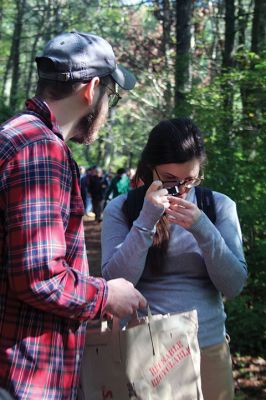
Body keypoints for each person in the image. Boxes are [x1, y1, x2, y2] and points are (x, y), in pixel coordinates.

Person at [0, 31, 146, 399]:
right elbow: (40, 277)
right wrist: (105, 295)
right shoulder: (40, 150)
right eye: (109, 95)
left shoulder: (15, 137)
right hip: (23, 375)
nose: (106, 106)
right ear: (91, 90)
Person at [101, 117, 248, 400]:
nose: (181, 190)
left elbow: (233, 285)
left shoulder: (218, 206)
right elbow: (116, 282)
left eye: (190, 180)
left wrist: (203, 229)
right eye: (169, 180)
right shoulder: (122, 208)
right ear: (149, 168)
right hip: (142, 349)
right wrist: (145, 221)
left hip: (207, 346)